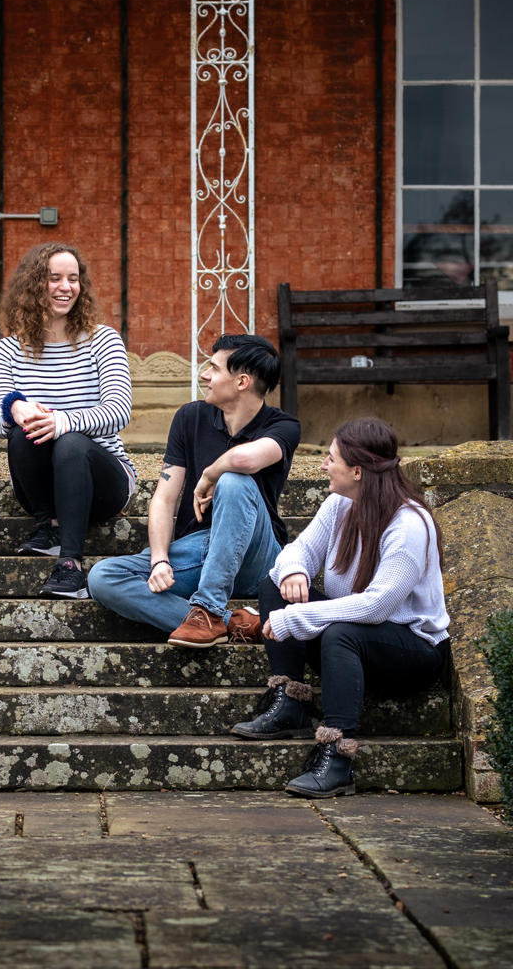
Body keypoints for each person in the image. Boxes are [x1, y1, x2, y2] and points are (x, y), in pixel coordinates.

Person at [230, 417, 450, 798]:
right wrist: (295, 572)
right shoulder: (340, 504)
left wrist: (298, 617)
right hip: (356, 638)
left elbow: (377, 606)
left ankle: (337, 757)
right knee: (274, 585)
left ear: (358, 471)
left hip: (412, 652)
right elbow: (297, 551)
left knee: (341, 632)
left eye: (331, 459)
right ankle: (291, 703)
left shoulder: (409, 524)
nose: (322, 465)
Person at [88, 334, 300, 646]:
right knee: (103, 578)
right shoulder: (190, 417)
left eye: (214, 369)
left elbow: (245, 459)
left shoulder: (283, 426)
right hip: (200, 548)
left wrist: (211, 474)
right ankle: (232, 623)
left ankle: (210, 608)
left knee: (234, 479)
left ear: (242, 381)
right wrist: (160, 559)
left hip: (257, 555)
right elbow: (164, 498)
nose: (204, 375)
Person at [0, 242, 136, 599]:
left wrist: (62, 422)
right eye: (53, 278)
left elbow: (119, 410)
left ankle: (71, 567)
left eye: (73, 279)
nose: (65, 287)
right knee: (22, 430)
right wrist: (15, 407)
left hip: (104, 480)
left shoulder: (103, 340)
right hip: (41, 489)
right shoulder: (7, 350)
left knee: (69, 441)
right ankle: (48, 527)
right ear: (34, 285)